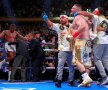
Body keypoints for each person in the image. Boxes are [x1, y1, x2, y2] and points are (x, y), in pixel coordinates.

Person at [75, 7, 108, 85]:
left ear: (97, 12)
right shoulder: (106, 20)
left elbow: (87, 13)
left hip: (99, 41)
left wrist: (79, 12)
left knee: (97, 60)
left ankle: (105, 77)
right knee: (105, 60)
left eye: (94, 10)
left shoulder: (96, 17)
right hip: (106, 41)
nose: (93, 11)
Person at [42, 14, 75, 88]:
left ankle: (71, 80)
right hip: (62, 49)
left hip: (71, 49)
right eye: (60, 18)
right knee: (60, 65)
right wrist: (46, 19)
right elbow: (51, 24)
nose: (61, 19)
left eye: (63, 18)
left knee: (71, 66)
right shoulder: (59, 26)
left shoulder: (73, 25)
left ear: (67, 19)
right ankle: (59, 80)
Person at [68, 4, 93, 87]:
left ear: (78, 9)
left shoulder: (78, 17)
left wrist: (73, 36)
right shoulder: (85, 18)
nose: (71, 9)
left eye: (73, 8)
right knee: (86, 63)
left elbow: (82, 26)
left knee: (76, 60)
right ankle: (87, 83)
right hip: (87, 42)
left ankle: (86, 78)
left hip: (80, 41)